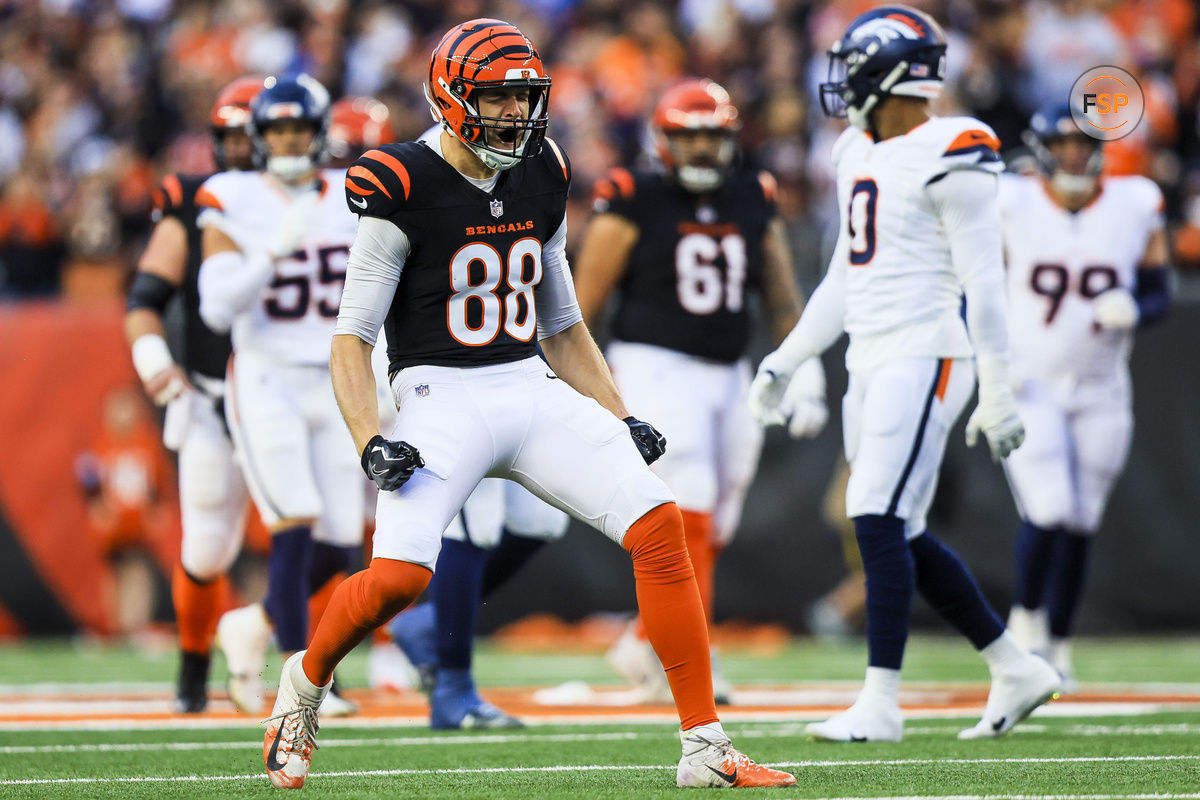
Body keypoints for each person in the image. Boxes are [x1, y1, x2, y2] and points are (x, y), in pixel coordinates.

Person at [260, 18, 796, 790]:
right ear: (449, 97)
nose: (515, 114)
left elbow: (563, 324)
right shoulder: (399, 182)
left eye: (523, 97)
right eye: (497, 97)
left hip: (527, 385)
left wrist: (616, 414)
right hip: (437, 392)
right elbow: (351, 339)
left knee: (659, 523)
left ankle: (705, 746)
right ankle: (304, 684)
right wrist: (370, 439)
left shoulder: (542, 168)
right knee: (400, 578)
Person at [749, 5, 1061, 742]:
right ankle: (1016, 667)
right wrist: (787, 359)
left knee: (875, 513)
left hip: (928, 351)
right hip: (871, 356)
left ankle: (881, 701)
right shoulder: (855, 150)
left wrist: (1000, 386)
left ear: (886, 74)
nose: (843, 83)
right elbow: (840, 281)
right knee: (899, 526)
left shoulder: (955, 147)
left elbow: (984, 283)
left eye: (855, 66)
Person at [572, 77, 824, 704]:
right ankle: (685, 664)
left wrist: (804, 366)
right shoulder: (634, 196)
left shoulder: (752, 193)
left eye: (713, 137)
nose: (703, 150)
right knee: (690, 512)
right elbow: (583, 305)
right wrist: (587, 386)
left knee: (717, 519)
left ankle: (643, 639)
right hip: (654, 366)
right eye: (690, 138)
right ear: (665, 140)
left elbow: (779, 293)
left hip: (727, 371)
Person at [197, 73, 362, 717]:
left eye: (299, 128)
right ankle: (306, 686)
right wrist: (270, 250)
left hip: (334, 375)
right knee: (293, 521)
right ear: (258, 136)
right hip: (267, 376)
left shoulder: (353, 192)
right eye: (277, 129)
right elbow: (216, 306)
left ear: (320, 133)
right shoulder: (232, 195)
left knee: (343, 540)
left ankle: (254, 623)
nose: (289, 139)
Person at [999, 103, 1170, 691]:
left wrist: (1137, 307)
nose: (1072, 155)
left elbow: (1158, 290)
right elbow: (975, 280)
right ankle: (1024, 632)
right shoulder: (1011, 202)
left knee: (1081, 519)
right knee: (1048, 507)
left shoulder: (1134, 204)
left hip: (1101, 386)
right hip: (1030, 381)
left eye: (1082, 144)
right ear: (1042, 149)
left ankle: (1060, 647)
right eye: (1061, 143)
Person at [124, 76, 260, 712]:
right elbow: (145, 299)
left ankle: (315, 665)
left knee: (326, 535)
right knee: (207, 545)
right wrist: (155, 362)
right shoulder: (190, 200)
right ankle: (193, 661)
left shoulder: (323, 199)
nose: (240, 147)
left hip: (292, 394)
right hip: (213, 397)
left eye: (249, 132)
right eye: (228, 135)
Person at [386, 476, 569, 728]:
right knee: (475, 524)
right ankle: (453, 688)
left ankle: (431, 620)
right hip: (461, 437)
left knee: (541, 520)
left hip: (517, 433)